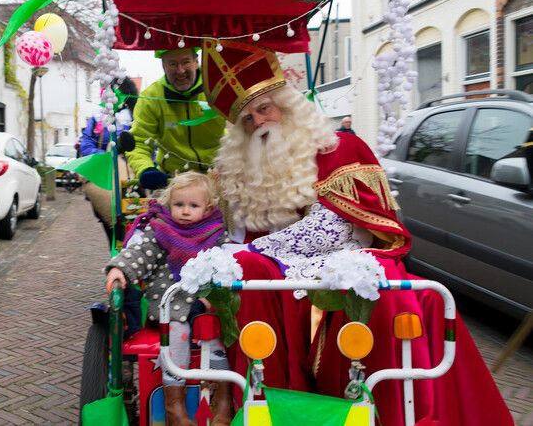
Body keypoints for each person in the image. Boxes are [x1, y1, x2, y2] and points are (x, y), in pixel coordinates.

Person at [202, 39, 512, 426]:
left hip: (350, 262)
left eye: (264, 109)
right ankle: (270, 408)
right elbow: (238, 242)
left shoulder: (341, 148)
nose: (259, 123)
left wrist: (260, 254)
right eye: (247, 120)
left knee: (381, 303)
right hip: (284, 284)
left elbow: (331, 229)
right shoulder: (244, 176)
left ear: (287, 105)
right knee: (245, 277)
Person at [105, 172, 233, 426]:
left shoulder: (216, 233)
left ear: (207, 208)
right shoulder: (159, 230)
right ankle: (174, 406)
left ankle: (223, 401)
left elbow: (228, 263)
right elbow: (140, 252)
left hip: (204, 302)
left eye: (193, 206)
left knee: (218, 338)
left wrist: (217, 294)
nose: (185, 211)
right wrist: (120, 268)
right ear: (169, 203)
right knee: (176, 335)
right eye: (179, 205)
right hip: (170, 305)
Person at [126, 48, 226, 191]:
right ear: (163, 66)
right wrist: (145, 169)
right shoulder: (150, 98)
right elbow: (138, 141)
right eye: (172, 64)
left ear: (196, 62)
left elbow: (240, 128)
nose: (180, 71)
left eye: (186, 62)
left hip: (218, 177)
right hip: (173, 181)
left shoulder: (218, 88)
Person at [80, 77, 138, 246]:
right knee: (113, 232)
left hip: (131, 181)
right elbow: (86, 144)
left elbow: (143, 143)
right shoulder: (98, 118)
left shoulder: (135, 117)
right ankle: (117, 264)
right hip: (104, 184)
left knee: (134, 232)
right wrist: (107, 155)